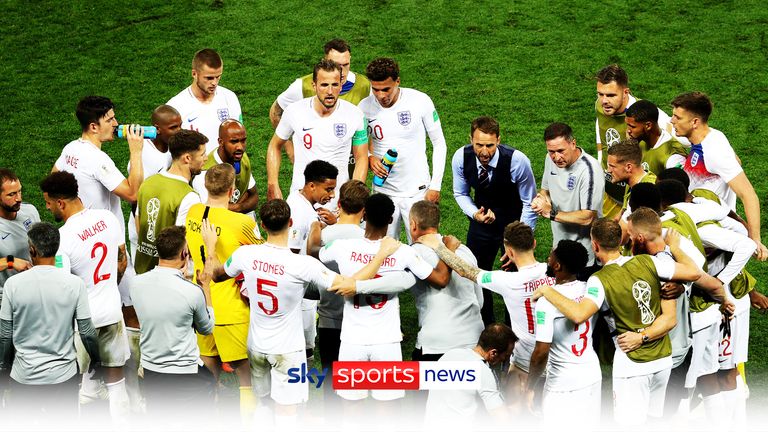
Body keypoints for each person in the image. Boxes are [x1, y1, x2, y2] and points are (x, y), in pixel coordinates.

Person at [210, 199, 401, 427]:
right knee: (288, 412)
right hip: (288, 351)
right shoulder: (302, 265)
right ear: (290, 223)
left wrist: (210, 246)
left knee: (263, 404)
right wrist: (380, 256)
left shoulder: (244, 255)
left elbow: (217, 275)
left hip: (257, 345)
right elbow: (348, 284)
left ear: (262, 225)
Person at [533, 218, 703, 426]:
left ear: (595, 245)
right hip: (662, 359)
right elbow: (694, 272)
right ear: (621, 241)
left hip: (632, 363)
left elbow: (579, 314)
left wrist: (547, 290)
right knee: (653, 422)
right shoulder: (649, 261)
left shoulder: (599, 279)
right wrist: (675, 248)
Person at [318, 193, 450, 404]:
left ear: (364, 216)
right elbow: (440, 279)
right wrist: (448, 250)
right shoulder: (403, 252)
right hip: (386, 341)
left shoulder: (342, 247)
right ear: (391, 220)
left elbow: (319, 253)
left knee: (350, 414)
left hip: (352, 340)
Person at [417, 221, 554, 410]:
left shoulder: (506, 280)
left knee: (515, 415)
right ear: (535, 244)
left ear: (509, 251)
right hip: (555, 359)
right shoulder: (554, 272)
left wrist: (439, 247)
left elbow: (466, 271)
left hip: (523, 362)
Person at [40, 172, 130, 423]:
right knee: (116, 381)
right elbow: (122, 260)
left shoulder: (63, 238)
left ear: (60, 203)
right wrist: (111, 287)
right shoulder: (108, 218)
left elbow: (62, 288)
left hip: (83, 324)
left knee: (76, 383)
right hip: (112, 312)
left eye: (48, 202)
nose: (47, 207)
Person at [0, 223, 100, 425]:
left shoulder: (12, 285)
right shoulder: (74, 284)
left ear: (32, 250)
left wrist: (4, 367)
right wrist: (96, 359)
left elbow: (5, 334)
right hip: (63, 376)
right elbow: (87, 331)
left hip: (24, 376)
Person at [185, 163, 261, 420]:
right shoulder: (242, 223)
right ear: (232, 191)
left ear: (206, 186)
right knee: (245, 378)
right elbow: (262, 254)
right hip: (232, 308)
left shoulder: (193, 212)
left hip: (200, 304)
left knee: (208, 376)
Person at [452, 116, 537, 324]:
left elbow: (530, 201)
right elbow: (460, 193)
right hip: (481, 224)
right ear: (470, 139)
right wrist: (474, 213)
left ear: (498, 140)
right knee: (477, 274)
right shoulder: (461, 157)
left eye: (489, 145)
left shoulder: (517, 161)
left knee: (518, 279)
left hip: (512, 225)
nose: (484, 151)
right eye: (479, 145)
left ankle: (515, 328)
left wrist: (518, 239)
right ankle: (485, 325)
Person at [670, 91, 767, 261]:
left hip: (713, 228)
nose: (672, 121)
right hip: (700, 215)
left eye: (677, 118)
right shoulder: (707, 136)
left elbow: (749, 195)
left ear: (694, 122)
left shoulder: (714, 151)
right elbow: (736, 161)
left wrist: (755, 239)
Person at [131, 224, 216, 418]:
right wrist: (206, 288)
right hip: (184, 372)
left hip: (152, 369)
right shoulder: (191, 292)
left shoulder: (136, 284)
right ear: (184, 254)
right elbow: (207, 328)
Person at [360, 57, 447, 240]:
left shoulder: (419, 101)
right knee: (381, 250)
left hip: (417, 191)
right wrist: (370, 157)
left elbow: (439, 142)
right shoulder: (364, 108)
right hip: (383, 192)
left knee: (423, 249)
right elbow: (358, 145)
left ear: (397, 81)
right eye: (375, 89)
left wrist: (435, 185)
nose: (381, 95)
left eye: (386, 89)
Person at [266, 59, 368, 207]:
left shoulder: (355, 115)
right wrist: (273, 183)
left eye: (335, 85)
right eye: (324, 85)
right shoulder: (295, 111)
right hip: (301, 198)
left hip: (338, 201)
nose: (330, 91)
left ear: (341, 85)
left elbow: (361, 158)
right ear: (314, 86)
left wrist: (355, 196)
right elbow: (275, 145)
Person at [593, 65, 685, 220]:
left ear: (625, 92)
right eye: (600, 94)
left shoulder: (645, 115)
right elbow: (601, 132)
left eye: (610, 95)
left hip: (638, 199)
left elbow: (680, 133)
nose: (604, 101)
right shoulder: (601, 106)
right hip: (610, 191)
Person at [527, 240, 599, 430]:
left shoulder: (546, 302)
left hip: (563, 384)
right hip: (592, 374)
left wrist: (530, 386)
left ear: (557, 266)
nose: (548, 258)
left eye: (552, 255)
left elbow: (540, 353)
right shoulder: (589, 291)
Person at [53, 95, 144, 240]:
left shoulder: (70, 148)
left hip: (82, 236)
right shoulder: (98, 159)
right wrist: (136, 151)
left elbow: (53, 180)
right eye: (109, 120)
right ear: (93, 127)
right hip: (106, 239)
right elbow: (133, 195)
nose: (116, 123)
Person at [270, 38, 371, 164]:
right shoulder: (303, 85)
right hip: (313, 164)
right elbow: (276, 111)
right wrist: (289, 147)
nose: (342, 71)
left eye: (346, 65)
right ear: (326, 61)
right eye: (336, 65)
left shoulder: (364, 85)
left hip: (351, 162)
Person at [306, 179, 369, 376]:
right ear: (364, 210)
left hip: (329, 322)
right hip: (360, 323)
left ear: (339, 204)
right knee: (356, 385)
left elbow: (310, 281)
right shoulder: (370, 240)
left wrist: (315, 229)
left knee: (330, 383)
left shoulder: (322, 238)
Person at [408, 200, 483, 361]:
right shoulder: (464, 250)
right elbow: (480, 301)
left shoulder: (412, 253)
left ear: (413, 224)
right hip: (473, 342)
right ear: (438, 224)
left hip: (435, 344)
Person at [134, 130, 207, 274]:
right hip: (170, 276)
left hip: (142, 269)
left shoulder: (148, 182)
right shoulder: (189, 196)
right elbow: (182, 244)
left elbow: (139, 222)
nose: (205, 158)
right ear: (187, 158)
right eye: (202, 154)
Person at [532, 122, 604, 268]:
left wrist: (550, 214)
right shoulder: (549, 159)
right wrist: (541, 200)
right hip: (560, 247)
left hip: (584, 255)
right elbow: (545, 190)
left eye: (560, 151)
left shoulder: (589, 170)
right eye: (551, 151)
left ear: (573, 143)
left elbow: (588, 217)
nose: (556, 157)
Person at [286, 160, 339, 359]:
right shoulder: (300, 213)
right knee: (304, 349)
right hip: (300, 291)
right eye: (329, 189)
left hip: (302, 287)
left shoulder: (300, 202)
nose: (332, 195)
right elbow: (290, 253)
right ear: (311, 186)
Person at [424, 323, 514, 428]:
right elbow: (500, 416)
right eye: (507, 355)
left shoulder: (450, 354)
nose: (505, 359)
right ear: (493, 353)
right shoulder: (481, 370)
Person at [167, 48, 242, 152]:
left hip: (225, 166)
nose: (214, 83)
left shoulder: (229, 97)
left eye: (218, 77)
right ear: (194, 74)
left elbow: (238, 137)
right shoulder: (176, 107)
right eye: (209, 78)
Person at [192, 120, 259, 214]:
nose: (240, 147)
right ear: (220, 142)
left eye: (243, 141)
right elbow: (210, 211)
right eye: (234, 142)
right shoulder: (205, 174)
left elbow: (254, 197)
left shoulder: (242, 158)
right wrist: (242, 203)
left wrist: (236, 208)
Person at [0, 169, 38, 302]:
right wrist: (10, 262)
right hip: (7, 298)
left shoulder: (30, 211)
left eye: (19, 191)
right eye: (11, 194)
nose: (19, 199)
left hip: (34, 289)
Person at [624, 99, 688, 176]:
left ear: (648, 126)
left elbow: (680, 186)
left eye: (632, 127)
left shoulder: (673, 157)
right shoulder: (640, 139)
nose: (628, 131)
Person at [606, 139, 657, 219]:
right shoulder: (631, 183)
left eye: (612, 166)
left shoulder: (647, 193)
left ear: (628, 167)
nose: (608, 170)